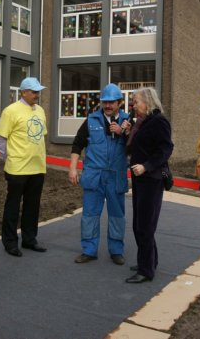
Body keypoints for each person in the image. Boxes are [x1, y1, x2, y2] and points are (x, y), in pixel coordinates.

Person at [68, 84, 129, 265]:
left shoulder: (128, 121)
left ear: (120, 102)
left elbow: (135, 146)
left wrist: (124, 132)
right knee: (90, 215)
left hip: (116, 176)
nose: (108, 106)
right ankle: (89, 249)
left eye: (112, 102)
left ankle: (116, 250)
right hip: (94, 175)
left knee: (117, 216)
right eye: (105, 102)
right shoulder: (91, 120)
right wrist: (73, 168)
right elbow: (77, 144)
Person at [0, 77, 48, 257]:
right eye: (34, 92)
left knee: (33, 206)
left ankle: (29, 239)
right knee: (13, 206)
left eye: (38, 91)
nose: (37, 95)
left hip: (38, 167)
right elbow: (0, 139)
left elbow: (42, 136)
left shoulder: (40, 111)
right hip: (17, 168)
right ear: (23, 92)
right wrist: (9, 158)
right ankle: (10, 242)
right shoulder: (11, 111)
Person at [126, 87, 173, 283]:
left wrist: (146, 166)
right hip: (140, 179)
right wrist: (128, 132)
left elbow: (165, 149)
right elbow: (137, 147)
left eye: (136, 102)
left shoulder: (159, 121)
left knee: (144, 225)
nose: (134, 106)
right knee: (139, 224)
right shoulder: (143, 122)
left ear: (147, 101)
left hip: (151, 179)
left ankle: (146, 271)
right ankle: (148, 261)